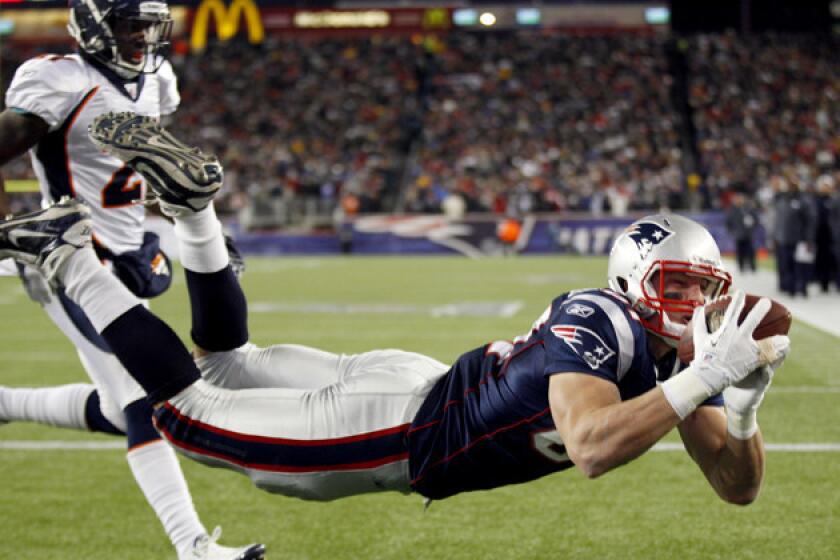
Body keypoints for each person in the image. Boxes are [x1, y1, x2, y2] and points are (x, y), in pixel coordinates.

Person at [1, 112, 790, 509]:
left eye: (705, 289)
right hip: (398, 429)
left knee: (223, 365)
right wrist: (703, 378)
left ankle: (196, 216)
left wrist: (742, 412)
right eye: (679, 287)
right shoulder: (606, 318)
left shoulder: (680, 362)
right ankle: (67, 248)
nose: (697, 306)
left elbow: (737, 488)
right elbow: (588, 445)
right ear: (636, 281)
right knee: (182, 408)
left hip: (416, 390)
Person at [0, 2, 263, 558]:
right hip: (69, 257)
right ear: (93, 26)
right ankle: (192, 546)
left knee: (121, 404)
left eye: (148, 25)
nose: (143, 36)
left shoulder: (157, 81)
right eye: (128, 25)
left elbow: (143, 166)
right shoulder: (60, 78)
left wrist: (191, 226)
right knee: (146, 401)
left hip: (131, 251)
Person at [725, 191, 759, 274]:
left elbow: (755, 220)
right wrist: (733, 232)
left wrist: (752, 229)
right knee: (740, 252)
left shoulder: (748, 208)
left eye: (740, 198)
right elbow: (728, 222)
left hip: (748, 234)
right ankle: (741, 267)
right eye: (737, 199)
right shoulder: (732, 210)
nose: (739, 200)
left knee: (750, 251)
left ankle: (752, 267)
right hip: (738, 235)